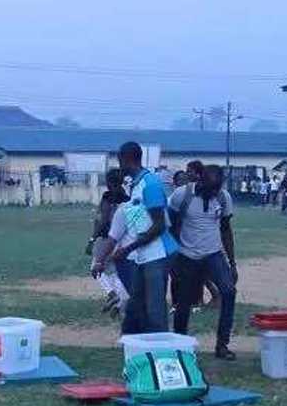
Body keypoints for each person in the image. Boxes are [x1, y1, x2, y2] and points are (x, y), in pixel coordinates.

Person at [102, 142, 177, 335]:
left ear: (125, 159)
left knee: (155, 308)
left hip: (157, 254)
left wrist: (127, 249)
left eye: (120, 161)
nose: (119, 166)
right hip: (143, 255)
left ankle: (161, 350)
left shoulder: (149, 184)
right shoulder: (136, 185)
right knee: (136, 303)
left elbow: (159, 225)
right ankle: (131, 341)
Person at [169, 164, 238, 359]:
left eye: (217, 188)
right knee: (183, 304)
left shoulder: (223, 198)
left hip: (213, 255)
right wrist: (173, 258)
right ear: (200, 181)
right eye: (211, 188)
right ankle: (180, 346)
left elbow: (226, 229)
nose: (214, 193)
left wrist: (232, 263)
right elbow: (170, 227)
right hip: (186, 255)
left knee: (229, 291)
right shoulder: (181, 195)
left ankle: (222, 345)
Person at [88, 168, 129, 256]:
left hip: (106, 238)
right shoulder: (127, 198)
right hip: (123, 239)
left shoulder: (107, 197)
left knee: (98, 267)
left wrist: (92, 239)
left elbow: (103, 221)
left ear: (109, 182)